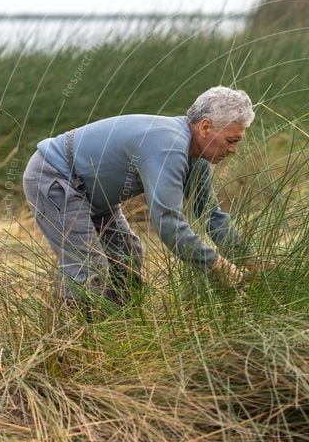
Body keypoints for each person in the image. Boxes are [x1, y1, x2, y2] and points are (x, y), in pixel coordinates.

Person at [22, 86, 260, 310]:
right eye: (231, 141)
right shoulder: (169, 147)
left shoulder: (197, 159)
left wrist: (249, 261)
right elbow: (168, 224)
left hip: (94, 192)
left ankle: (117, 323)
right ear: (206, 127)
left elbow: (211, 216)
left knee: (127, 253)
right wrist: (216, 264)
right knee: (87, 265)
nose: (233, 150)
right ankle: (74, 342)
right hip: (56, 176)